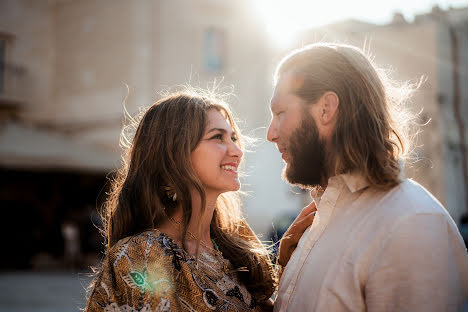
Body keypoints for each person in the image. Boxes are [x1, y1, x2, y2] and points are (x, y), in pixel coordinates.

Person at [268, 43, 468, 311]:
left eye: (280, 113)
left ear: (326, 109)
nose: (271, 133)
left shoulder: (411, 223)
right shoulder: (315, 224)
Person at [85, 90, 276, 312]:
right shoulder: (142, 254)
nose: (237, 151)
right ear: (176, 154)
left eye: (233, 138)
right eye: (218, 137)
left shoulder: (237, 245)